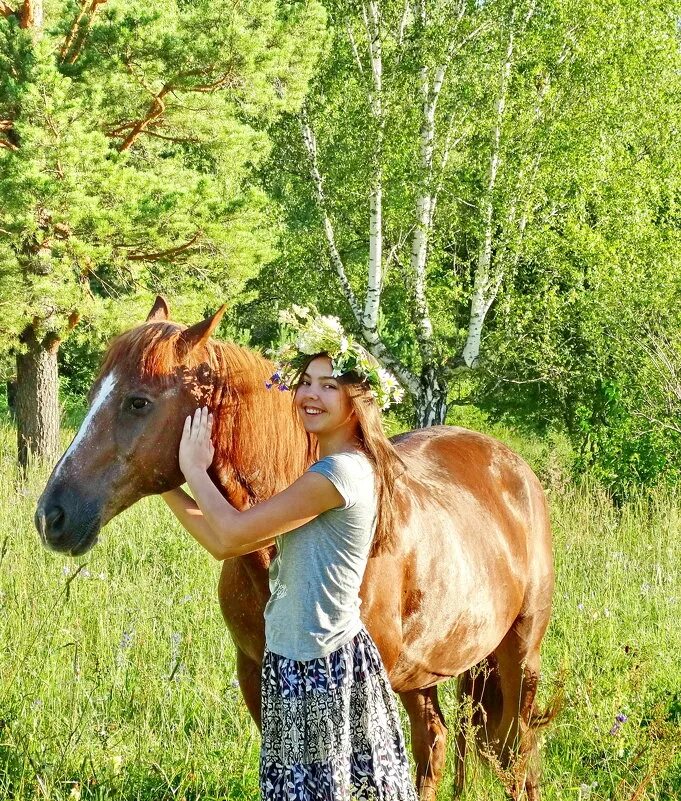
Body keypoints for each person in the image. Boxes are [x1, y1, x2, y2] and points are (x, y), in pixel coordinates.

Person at [161, 306, 417, 801]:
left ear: (357, 400)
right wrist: (165, 481)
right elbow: (222, 543)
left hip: (319, 666)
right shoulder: (326, 471)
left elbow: (232, 533)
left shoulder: (336, 475)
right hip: (296, 658)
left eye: (329, 385)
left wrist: (192, 469)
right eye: (307, 382)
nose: (310, 394)